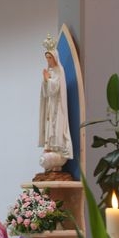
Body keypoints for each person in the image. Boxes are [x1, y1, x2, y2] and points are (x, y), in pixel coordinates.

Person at [38, 36, 73, 172]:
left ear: (55, 58)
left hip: (58, 105)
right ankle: (49, 147)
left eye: (50, 58)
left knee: (56, 126)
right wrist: (45, 81)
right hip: (50, 104)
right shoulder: (50, 71)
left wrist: (48, 80)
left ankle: (56, 148)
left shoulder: (59, 70)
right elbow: (46, 92)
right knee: (49, 125)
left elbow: (56, 88)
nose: (48, 60)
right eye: (46, 58)